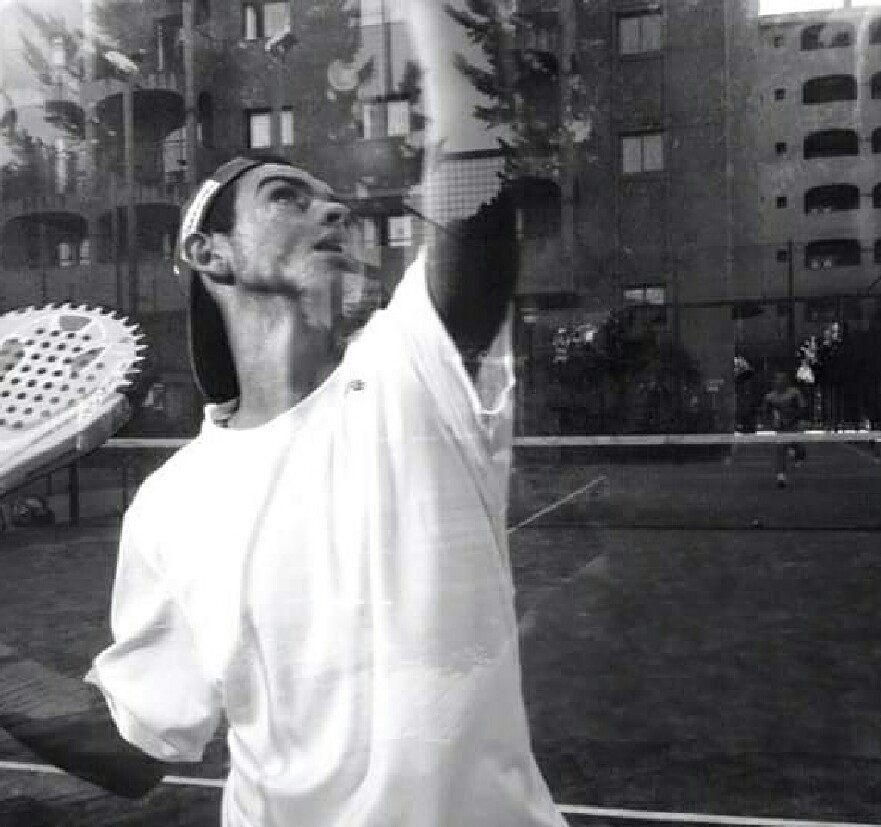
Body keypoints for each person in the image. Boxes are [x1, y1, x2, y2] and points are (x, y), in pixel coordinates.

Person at [0, 152, 570, 826]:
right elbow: (133, 748)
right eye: (286, 197)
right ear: (209, 253)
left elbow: (484, 195)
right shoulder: (169, 503)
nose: (335, 211)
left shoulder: (412, 368)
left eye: (335, 202)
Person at [764, 369, 807, 488]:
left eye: (782, 379)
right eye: (777, 379)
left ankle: (798, 454)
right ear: (774, 382)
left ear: (787, 381)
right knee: (780, 450)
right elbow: (766, 412)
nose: (780, 382)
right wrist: (772, 422)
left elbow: (802, 408)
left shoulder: (794, 393)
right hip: (781, 428)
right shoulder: (770, 397)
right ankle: (781, 477)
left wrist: (792, 419)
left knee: (800, 448)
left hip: (795, 425)